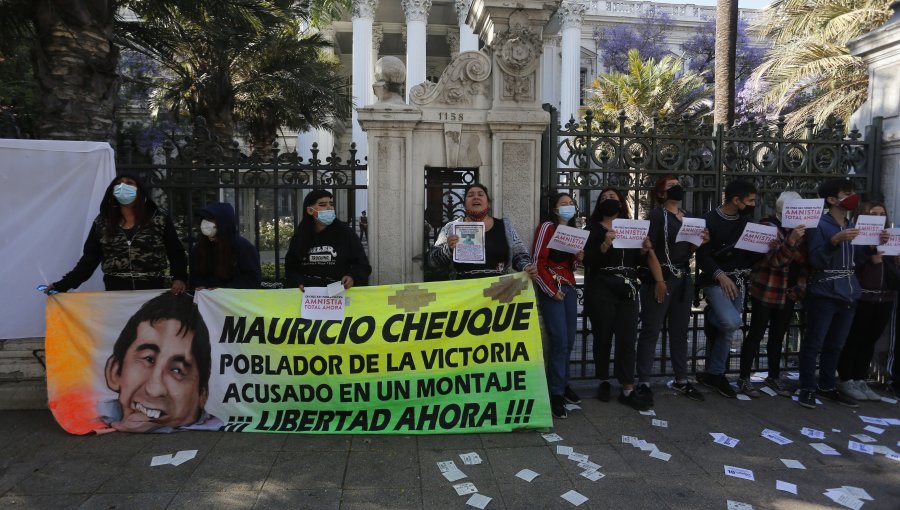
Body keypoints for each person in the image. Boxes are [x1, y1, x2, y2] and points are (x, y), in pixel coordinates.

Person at [799, 178, 889, 409]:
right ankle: (807, 388)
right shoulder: (818, 224)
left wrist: (871, 247)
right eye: (846, 193)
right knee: (814, 342)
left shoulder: (851, 225)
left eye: (853, 192)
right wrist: (833, 242)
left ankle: (828, 386)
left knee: (836, 344)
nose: (852, 196)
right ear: (831, 199)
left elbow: (856, 260)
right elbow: (816, 259)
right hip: (824, 291)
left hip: (849, 292)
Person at [584, 187, 662, 411]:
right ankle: (603, 380)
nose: (609, 200)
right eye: (604, 198)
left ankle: (628, 387)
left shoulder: (631, 228)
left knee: (627, 339)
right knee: (602, 337)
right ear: (599, 204)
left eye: (613, 198)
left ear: (621, 203)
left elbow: (637, 260)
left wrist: (645, 250)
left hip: (627, 287)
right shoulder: (591, 229)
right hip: (601, 287)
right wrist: (605, 244)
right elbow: (589, 261)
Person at [46, 174, 187, 294]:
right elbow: (89, 261)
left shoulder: (158, 218)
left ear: (140, 190)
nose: (123, 186)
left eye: (129, 183)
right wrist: (62, 285)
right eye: (118, 184)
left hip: (153, 289)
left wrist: (179, 278)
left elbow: (175, 251)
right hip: (116, 292)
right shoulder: (102, 222)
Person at [101, 291, 220, 433]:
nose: (154, 390)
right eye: (148, 359)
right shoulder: (88, 415)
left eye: (177, 370)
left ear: (202, 394)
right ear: (114, 371)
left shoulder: (225, 423)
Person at [636, 176, 708, 405]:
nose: (676, 188)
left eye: (678, 184)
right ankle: (644, 381)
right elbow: (650, 250)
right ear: (661, 194)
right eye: (670, 186)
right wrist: (659, 281)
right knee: (651, 330)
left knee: (679, 332)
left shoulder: (687, 216)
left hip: (683, 277)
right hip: (661, 277)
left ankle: (681, 378)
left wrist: (701, 241)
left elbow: (688, 249)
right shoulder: (657, 216)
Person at [696, 180, 769, 398]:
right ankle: (711, 317)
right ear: (736, 200)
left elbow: (749, 255)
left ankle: (716, 374)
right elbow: (702, 256)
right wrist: (720, 276)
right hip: (715, 281)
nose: (754, 204)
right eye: (750, 200)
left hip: (738, 281)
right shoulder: (708, 220)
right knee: (731, 322)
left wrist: (765, 248)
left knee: (727, 332)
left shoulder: (746, 222)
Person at [739, 191, 807, 398]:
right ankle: (744, 378)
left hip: (789, 291)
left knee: (778, 336)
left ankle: (774, 376)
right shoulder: (769, 227)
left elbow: (806, 260)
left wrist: (802, 280)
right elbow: (776, 261)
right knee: (757, 333)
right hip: (767, 289)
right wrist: (792, 241)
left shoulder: (801, 231)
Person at [836, 202, 899, 401]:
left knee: (869, 341)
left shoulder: (892, 238)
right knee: (854, 338)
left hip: (884, 297)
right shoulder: (856, 238)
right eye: (873, 214)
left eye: (882, 214)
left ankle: (860, 378)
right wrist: (871, 254)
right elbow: (850, 265)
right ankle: (846, 379)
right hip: (862, 296)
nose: (879, 218)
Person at [532, 193, 584, 419]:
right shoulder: (547, 228)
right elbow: (537, 261)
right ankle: (555, 392)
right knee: (560, 340)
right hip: (553, 288)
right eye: (563, 204)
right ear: (554, 209)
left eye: (571, 204)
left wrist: (578, 256)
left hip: (570, 287)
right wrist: (551, 289)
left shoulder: (574, 231)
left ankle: (563, 383)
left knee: (570, 339)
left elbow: (572, 264)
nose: (568, 207)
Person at [427, 183, 537, 280]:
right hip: (463, 294)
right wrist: (448, 249)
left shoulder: (505, 226)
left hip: (500, 293)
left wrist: (527, 267)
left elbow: (520, 255)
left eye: (480, 194)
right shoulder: (451, 228)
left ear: (488, 204)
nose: (475, 197)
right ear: (464, 205)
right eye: (470, 195)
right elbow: (432, 262)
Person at [285, 189, 371, 290]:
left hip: (338, 293)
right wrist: (297, 282)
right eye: (322, 205)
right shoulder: (300, 236)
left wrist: (352, 277)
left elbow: (363, 266)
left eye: (331, 204)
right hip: (308, 295)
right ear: (310, 210)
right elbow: (291, 268)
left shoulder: (346, 233)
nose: (329, 207)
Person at [190, 202, 262, 290]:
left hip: (233, 301)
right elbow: (196, 275)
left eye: (211, 219)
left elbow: (252, 280)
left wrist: (224, 290)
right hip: (207, 300)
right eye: (205, 218)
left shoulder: (243, 248)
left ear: (223, 223)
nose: (206, 223)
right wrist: (200, 286)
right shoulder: (200, 247)